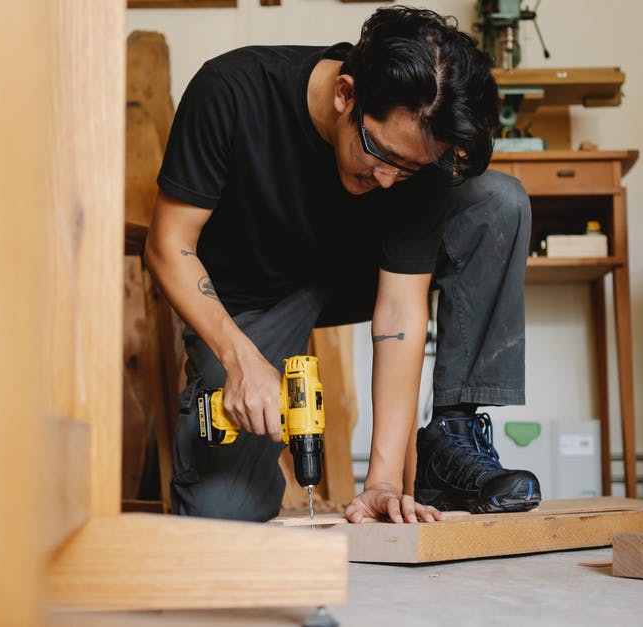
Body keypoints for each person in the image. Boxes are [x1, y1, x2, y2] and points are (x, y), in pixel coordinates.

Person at [146, 6, 540, 524]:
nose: (384, 180)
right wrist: (240, 360)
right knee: (223, 515)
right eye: (377, 152)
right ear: (345, 94)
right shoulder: (232, 90)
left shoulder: (411, 156)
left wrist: (381, 480)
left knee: (497, 200)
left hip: (361, 275)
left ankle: (451, 439)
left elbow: (400, 309)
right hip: (252, 297)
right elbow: (167, 244)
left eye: (406, 169)